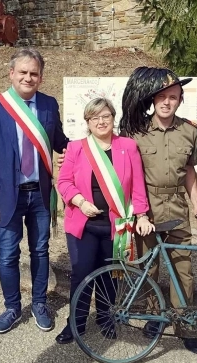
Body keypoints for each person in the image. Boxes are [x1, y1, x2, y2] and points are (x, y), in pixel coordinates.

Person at [0, 48, 69, 334]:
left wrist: (98, 146)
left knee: (40, 250)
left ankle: (39, 303)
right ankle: (12, 307)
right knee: (7, 254)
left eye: (34, 73)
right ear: (11, 73)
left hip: (40, 194)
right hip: (6, 197)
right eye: (23, 72)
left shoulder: (50, 105)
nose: (29, 77)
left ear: (41, 77)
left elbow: (61, 141)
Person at [119, 67, 197, 355]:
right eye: (162, 96)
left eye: (173, 97)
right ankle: (155, 318)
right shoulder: (135, 132)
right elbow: (127, 176)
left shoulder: (188, 131)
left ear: (180, 101)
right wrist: (138, 212)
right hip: (148, 208)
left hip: (177, 207)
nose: (167, 102)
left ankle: (185, 326)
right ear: (152, 99)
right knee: (150, 267)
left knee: (183, 268)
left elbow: (189, 172)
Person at [55, 97, 154, 344]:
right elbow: (64, 182)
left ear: (113, 118)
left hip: (117, 225)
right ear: (88, 122)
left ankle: (105, 317)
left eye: (106, 116)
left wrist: (141, 214)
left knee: (111, 274)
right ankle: (75, 322)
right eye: (95, 117)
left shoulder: (128, 146)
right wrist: (80, 202)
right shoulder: (77, 148)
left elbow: (138, 185)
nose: (101, 121)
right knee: (82, 274)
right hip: (83, 224)